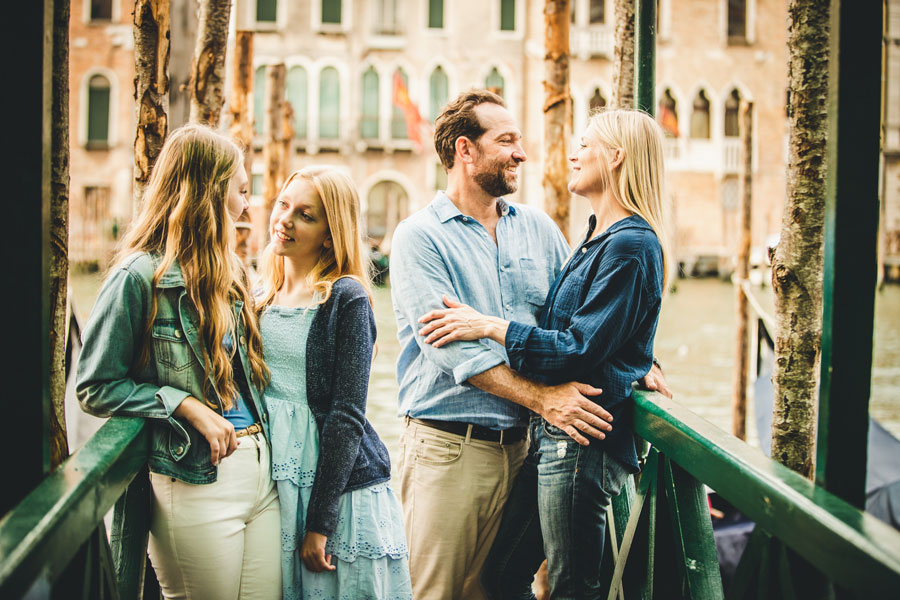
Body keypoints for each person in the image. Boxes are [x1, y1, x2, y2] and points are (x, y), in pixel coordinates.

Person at [389, 90, 652, 600]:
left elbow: (577, 322)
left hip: (531, 451)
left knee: (497, 590)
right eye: (506, 141)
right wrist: (544, 399)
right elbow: (453, 353)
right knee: (433, 593)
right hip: (449, 451)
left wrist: (641, 358)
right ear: (466, 151)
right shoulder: (418, 237)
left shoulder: (539, 228)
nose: (522, 154)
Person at [76, 124, 280, 599]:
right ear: (209, 191)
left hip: (258, 470)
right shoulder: (137, 276)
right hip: (193, 477)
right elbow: (94, 386)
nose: (247, 206)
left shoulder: (230, 271)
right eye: (241, 191)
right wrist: (184, 404)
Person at [257, 166, 412, 600]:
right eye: (283, 204)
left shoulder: (347, 297)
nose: (284, 220)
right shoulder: (259, 297)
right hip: (277, 483)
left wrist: (319, 525)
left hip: (338, 491)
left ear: (330, 234)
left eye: (305, 215)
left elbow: (347, 414)